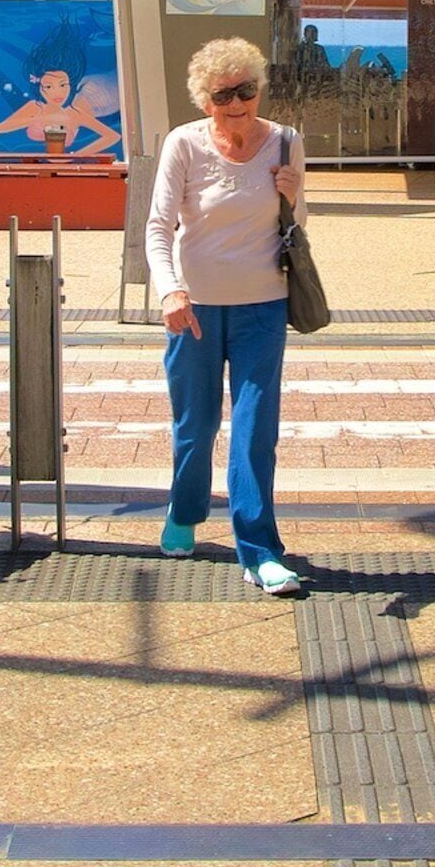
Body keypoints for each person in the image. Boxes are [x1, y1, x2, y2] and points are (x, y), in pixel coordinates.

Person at [147, 35, 308, 596]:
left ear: (259, 89)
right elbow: (157, 227)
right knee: (195, 424)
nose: (236, 103)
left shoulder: (286, 142)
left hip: (263, 306)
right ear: (204, 99)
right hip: (193, 308)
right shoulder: (183, 145)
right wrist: (170, 291)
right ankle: (186, 509)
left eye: (246, 91)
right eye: (223, 95)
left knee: (255, 429)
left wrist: (293, 194)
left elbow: (295, 228)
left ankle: (260, 550)